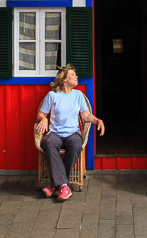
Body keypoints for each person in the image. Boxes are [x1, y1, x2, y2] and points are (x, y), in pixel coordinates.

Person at [36, 64, 105, 201]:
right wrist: (43, 119)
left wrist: (98, 120)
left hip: (72, 133)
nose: (76, 77)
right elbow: (40, 114)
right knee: (49, 143)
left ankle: (55, 186)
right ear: (64, 80)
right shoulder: (52, 95)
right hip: (55, 134)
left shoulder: (78, 95)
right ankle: (64, 186)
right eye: (73, 75)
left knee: (75, 145)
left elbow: (85, 115)